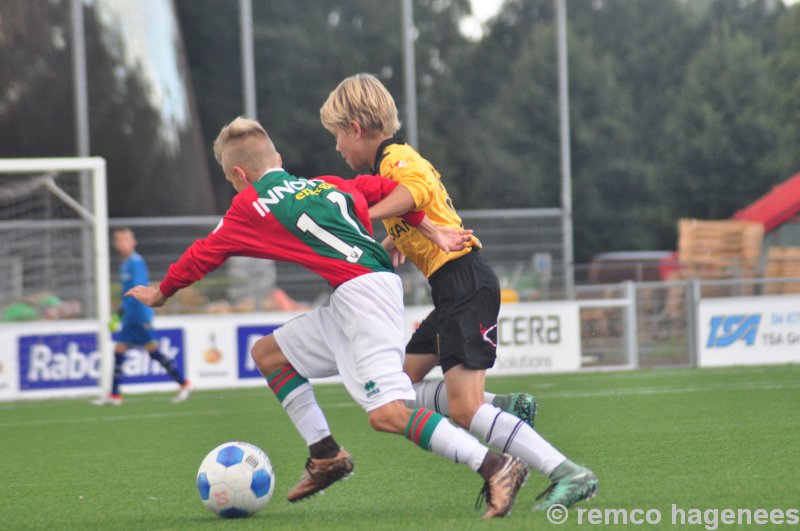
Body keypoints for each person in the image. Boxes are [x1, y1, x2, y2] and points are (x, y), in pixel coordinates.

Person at [126, 117, 529, 519]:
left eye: (231, 181)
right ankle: (325, 454)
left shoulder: (247, 205)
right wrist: (432, 230)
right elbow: (395, 191)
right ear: (278, 159)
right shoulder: (325, 184)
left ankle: (496, 466)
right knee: (269, 354)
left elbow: (204, 252)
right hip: (359, 293)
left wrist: (162, 292)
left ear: (238, 174)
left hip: (365, 297)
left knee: (388, 413)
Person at [319, 73, 598, 511]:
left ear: (355, 128)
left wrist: (364, 217)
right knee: (398, 388)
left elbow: (414, 193)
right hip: (452, 290)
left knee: (466, 410)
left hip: (466, 283)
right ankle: (504, 406)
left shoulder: (395, 157)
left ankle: (569, 472)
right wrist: (396, 238)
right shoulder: (388, 164)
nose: (337, 147)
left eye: (337, 135)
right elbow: (420, 208)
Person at [92, 228, 192, 405]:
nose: (122, 244)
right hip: (130, 317)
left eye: (125, 240)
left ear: (133, 242)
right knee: (121, 350)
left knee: (152, 351)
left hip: (139, 315)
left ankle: (184, 383)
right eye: (119, 240)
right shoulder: (125, 265)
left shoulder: (136, 263)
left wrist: (119, 315)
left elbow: (138, 291)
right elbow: (126, 294)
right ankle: (115, 395)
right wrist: (121, 314)